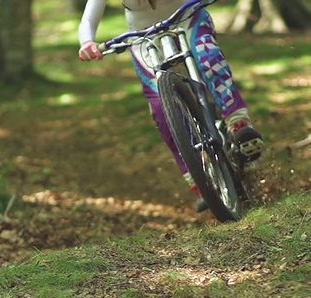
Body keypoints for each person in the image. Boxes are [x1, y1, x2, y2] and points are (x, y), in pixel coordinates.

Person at [77, 0, 263, 212]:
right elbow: (88, 20)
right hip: (141, 36)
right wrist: (87, 42)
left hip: (188, 18)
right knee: (159, 109)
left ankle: (238, 123)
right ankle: (198, 178)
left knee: (210, 61)